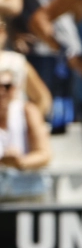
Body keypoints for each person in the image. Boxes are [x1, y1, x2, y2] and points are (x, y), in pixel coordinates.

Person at [0, 65, 52, 203]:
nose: (1, 92)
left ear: (15, 88)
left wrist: (19, 162)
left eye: (7, 86)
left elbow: (44, 154)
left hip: (29, 194)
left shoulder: (27, 111)